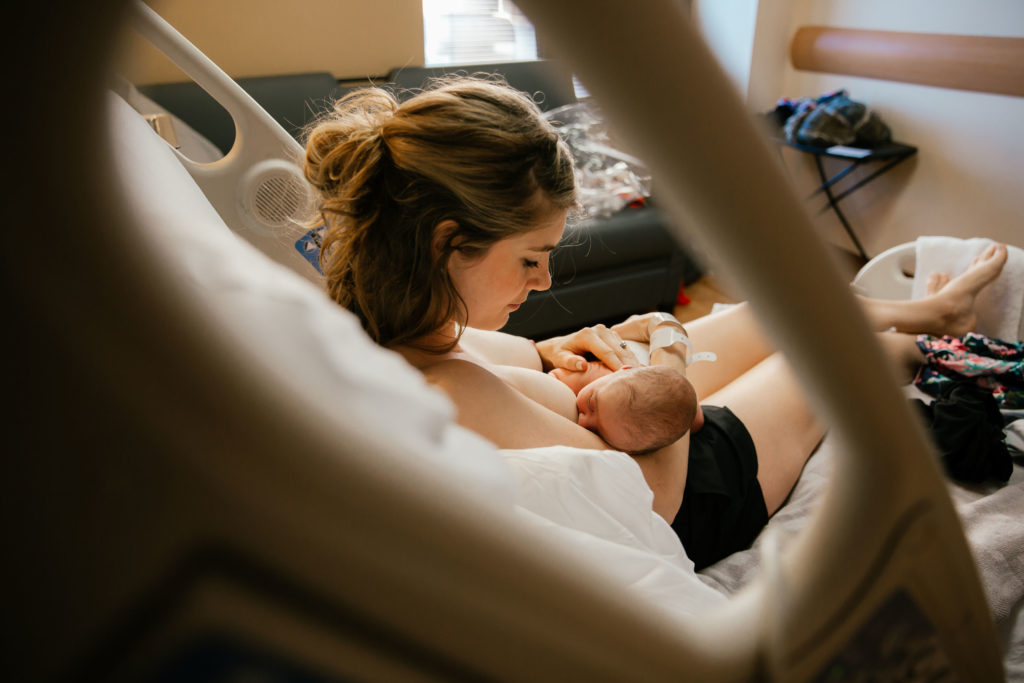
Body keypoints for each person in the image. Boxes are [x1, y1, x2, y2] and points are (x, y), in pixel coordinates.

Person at [302, 75, 1010, 570]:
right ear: (448, 243)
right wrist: (665, 371)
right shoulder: (447, 389)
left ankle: (932, 308)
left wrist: (559, 353)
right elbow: (649, 501)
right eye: (530, 259)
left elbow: (522, 366)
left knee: (767, 312)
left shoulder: (411, 325)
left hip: (631, 405)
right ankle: (918, 342)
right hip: (692, 479)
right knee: (823, 356)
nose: (544, 281)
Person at [549, 335, 702, 455]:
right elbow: (550, 379)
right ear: (622, 370)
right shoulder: (590, 376)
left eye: (598, 433)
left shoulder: (608, 399)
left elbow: (694, 417)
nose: (582, 421)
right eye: (591, 403)